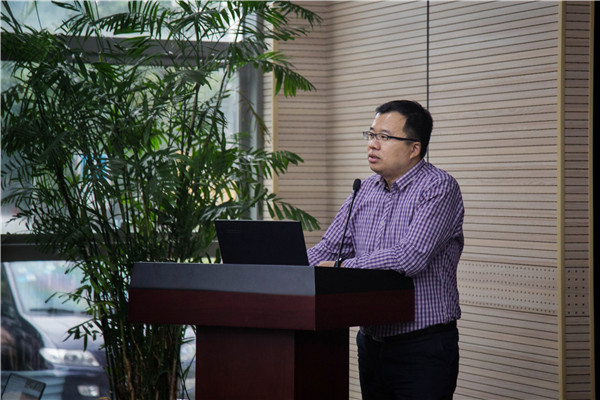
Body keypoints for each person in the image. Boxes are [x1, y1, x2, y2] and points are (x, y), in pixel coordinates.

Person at [307, 100, 464, 399]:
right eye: (371, 134)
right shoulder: (364, 189)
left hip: (423, 346)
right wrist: (283, 267)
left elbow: (411, 256)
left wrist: (341, 268)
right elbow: (329, 248)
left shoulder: (438, 188)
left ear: (414, 148)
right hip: (372, 344)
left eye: (384, 137)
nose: (373, 144)